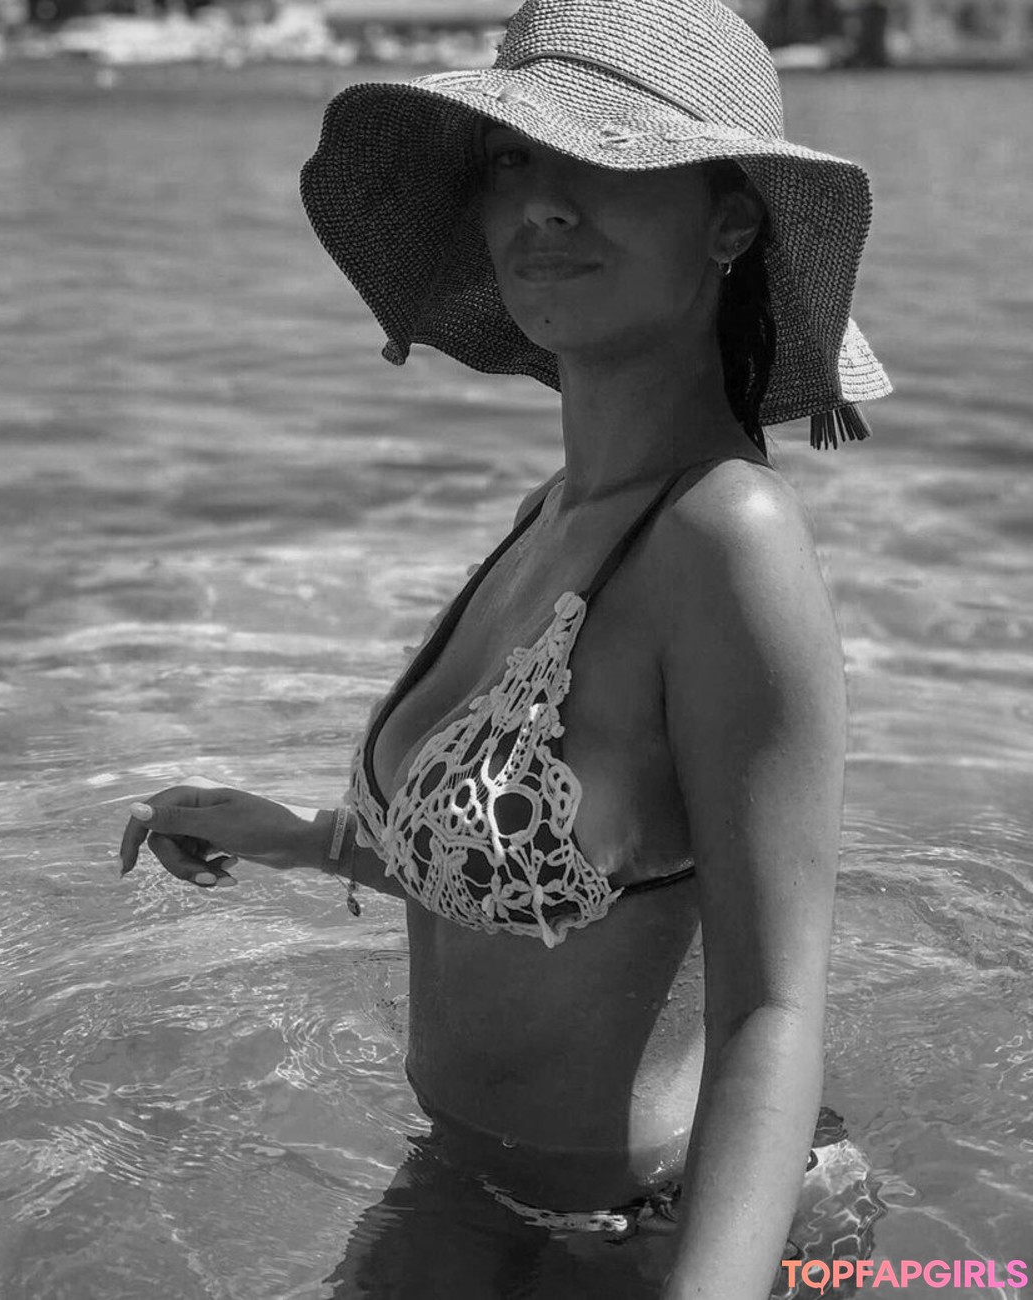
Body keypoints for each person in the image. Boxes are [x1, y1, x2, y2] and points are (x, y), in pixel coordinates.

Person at [117, 0, 892, 1295]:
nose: (541, 202)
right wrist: (306, 838)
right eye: (512, 158)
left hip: (662, 1221)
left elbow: (771, 1012)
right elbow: (547, 869)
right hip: (468, 1180)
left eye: (604, 157)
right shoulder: (553, 516)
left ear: (732, 222)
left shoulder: (727, 538)